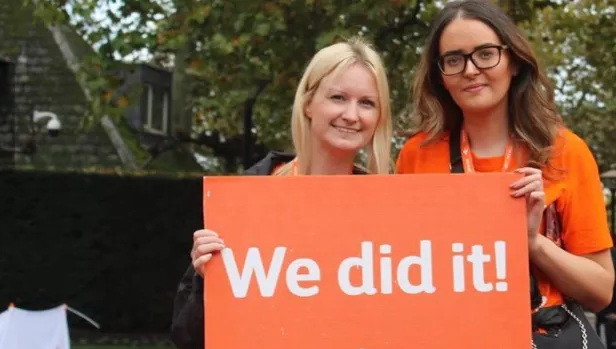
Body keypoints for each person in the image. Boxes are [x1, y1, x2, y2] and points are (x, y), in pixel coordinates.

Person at [394, 0, 614, 346]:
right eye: (454, 59)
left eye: (485, 54)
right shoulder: (416, 156)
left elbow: (601, 290)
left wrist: (531, 243)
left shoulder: (565, 152)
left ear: (513, 62)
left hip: (544, 334)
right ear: (440, 76)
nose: (470, 70)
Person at [169, 36, 393, 349]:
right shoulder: (248, 197)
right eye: (339, 98)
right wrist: (204, 281)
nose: (352, 115)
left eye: (366, 103)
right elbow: (188, 338)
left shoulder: (392, 210)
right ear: (308, 103)